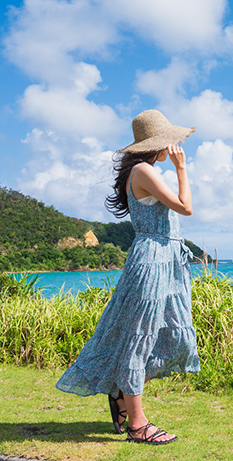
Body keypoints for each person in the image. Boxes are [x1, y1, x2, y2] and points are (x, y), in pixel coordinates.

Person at [55, 109, 200, 445]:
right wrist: (181, 169)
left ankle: (122, 393)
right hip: (152, 261)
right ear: (158, 144)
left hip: (166, 261)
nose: (173, 147)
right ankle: (137, 423)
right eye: (170, 142)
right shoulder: (144, 170)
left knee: (169, 337)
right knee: (140, 337)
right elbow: (185, 207)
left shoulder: (143, 169)